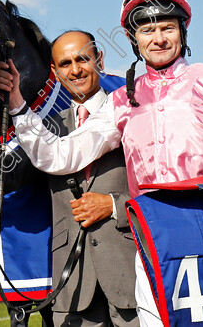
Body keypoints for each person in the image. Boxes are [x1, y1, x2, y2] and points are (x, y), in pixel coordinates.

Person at [0, 0, 203, 325]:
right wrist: (20, 108)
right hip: (153, 243)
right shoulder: (121, 102)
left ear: (182, 31)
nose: (158, 38)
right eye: (147, 29)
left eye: (166, 28)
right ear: (133, 39)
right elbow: (59, 156)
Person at [40, 31, 136, 327]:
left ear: (100, 61)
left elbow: (157, 188)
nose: (76, 70)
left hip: (130, 273)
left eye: (83, 59)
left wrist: (113, 205)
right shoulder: (44, 131)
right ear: (55, 73)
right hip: (72, 284)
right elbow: (11, 180)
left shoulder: (133, 114)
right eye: (66, 63)